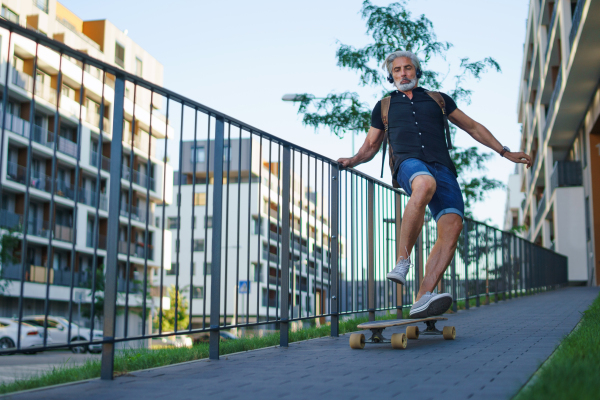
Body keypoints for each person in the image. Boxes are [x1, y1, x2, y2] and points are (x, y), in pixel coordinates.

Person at [337, 50, 532, 318]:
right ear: (391, 75)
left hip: (443, 167)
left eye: (407, 68)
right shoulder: (384, 106)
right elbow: (370, 146)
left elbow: (472, 127)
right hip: (409, 164)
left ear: (417, 71)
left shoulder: (438, 99)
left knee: (453, 225)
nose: (403, 73)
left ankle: (422, 298)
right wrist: (353, 160)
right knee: (424, 184)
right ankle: (403, 261)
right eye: (397, 70)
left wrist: (504, 151)